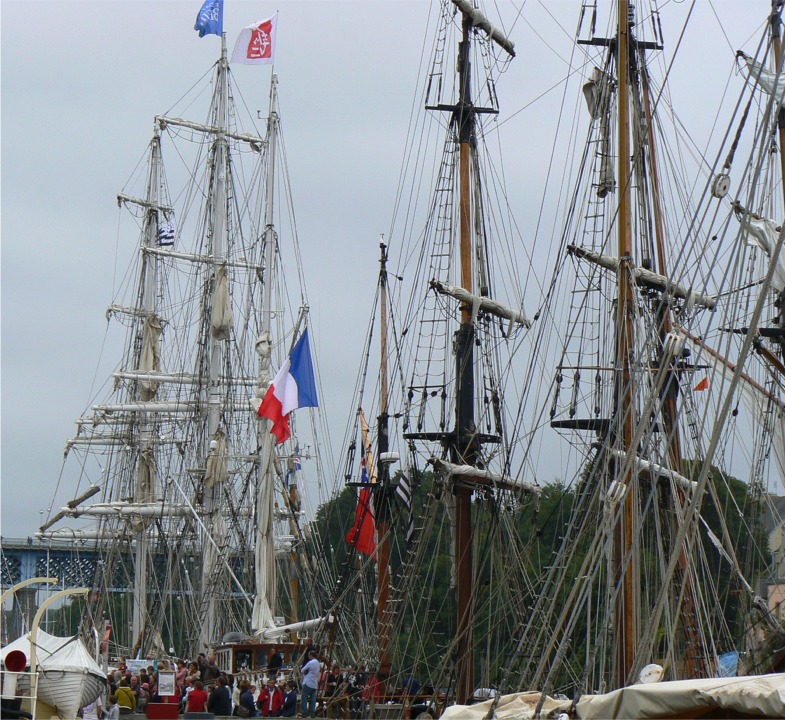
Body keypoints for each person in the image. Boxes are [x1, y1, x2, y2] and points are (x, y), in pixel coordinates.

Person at [300, 649, 320, 718]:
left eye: (309, 655)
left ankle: (304, 713)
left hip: (308, 682)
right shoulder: (318, 663)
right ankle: (312, 714)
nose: (308, 657)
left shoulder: (310, 662)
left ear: (311, 655)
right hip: (314, 684)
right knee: (313, 699)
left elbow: (302, 670)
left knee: (304, 698)